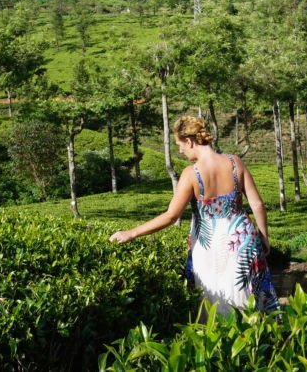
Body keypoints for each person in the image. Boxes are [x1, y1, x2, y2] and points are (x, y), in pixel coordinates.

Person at [110, 115, 279, 315]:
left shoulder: (191, 174)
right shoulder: (235, 163)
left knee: (214, 301)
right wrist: (264, 236)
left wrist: (132, 233)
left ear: (189, 141)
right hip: (242, 240)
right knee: (248, 296)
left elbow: (171, 216)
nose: (180, 150)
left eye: (179, 144)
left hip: (211, 247)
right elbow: (257, 203)